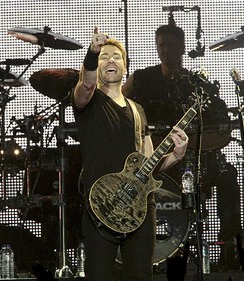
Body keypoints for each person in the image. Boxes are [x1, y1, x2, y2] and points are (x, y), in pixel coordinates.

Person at [71, 27, 189, 281]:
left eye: (116, 57)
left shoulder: (138, 111)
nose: (110, 60)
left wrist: (176, 156)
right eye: (104, 57)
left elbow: (149, 166)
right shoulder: (88, 101)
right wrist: (92, 53)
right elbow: (86, 85)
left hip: (140, 209)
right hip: (102, 206)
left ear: (125, 67)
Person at [123, 24, 242, 270]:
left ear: (183, 48)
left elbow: (220, 122)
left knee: (229, 177)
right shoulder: (142, 78)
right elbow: (117, 108)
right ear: (156, 48)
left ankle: (228, 250)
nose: (166, 50)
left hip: (190, 161)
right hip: (154, 162)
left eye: (171, 45)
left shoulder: (196, 84)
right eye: (161, 45)